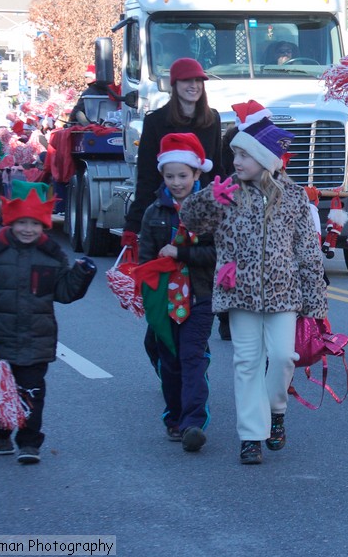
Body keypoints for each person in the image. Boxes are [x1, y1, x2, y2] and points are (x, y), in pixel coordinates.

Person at [181, 100, 328, 465]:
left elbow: (308, 251)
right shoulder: (227, 191)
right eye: (234, 155)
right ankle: (251, 436)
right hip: (239, 293)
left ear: (265, 158)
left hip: (284, 295)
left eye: (244, 155)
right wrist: (209, 199)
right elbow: (191, 220)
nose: (237, 162)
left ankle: (276, 410)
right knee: (246, 362)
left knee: (282, 357)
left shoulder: (293, 197)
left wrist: (315, 303)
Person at [0, 180, 96, 464]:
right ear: (11, 221)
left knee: (32, 394)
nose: (28, 229)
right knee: (4, 392)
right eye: (22, 222)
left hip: (38, 340)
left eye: (34, 223)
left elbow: (64, 292)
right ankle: (2, 431)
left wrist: (82, 274)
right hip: (2, 340)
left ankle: (29, 442)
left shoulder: (51, 255)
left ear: (44, 224)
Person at [122, 57, 229, 351]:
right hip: (167, 212)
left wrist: (226, 206)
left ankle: (203, 337)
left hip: (205, 211)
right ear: (175, 85)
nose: (193, 86)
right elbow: (145, 176)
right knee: (170, 280)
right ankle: (162, 341)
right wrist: (133, 226)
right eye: (186, 81)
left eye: (198, 82)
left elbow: (217, 169)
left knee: (204, 271)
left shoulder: (213, 119)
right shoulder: (157, 121)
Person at [138, 133, 217, 452]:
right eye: (169, 176)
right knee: (170, 361)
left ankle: (193, 423)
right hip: (164, 301)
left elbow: (218, 254)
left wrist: (181, 253)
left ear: (197, 173)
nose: (176, 182)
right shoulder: (154, 212)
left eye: (183, 175)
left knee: (192, 358)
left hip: (199, 297)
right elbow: (145, 259)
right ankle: (174, 417)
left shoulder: (210, 210)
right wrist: (150, 278)